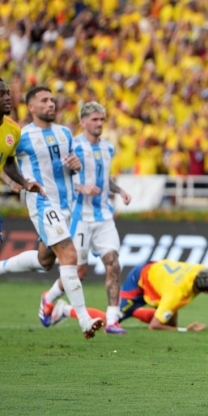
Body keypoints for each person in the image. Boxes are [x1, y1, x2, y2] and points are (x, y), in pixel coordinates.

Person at [0, 86, 103, 339]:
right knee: (70, 256)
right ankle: (84, 320)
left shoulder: (65, 133)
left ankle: (2, 266)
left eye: (52, 100)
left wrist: (76, 166)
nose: (51, 104)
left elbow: (68, 166)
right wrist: (17, 183)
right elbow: (5, 161)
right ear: (31, 107)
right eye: (44, 100)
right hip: (44, 204)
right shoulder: (21, 135)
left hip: (66, 205)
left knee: (46, 262)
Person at [71, 102, 132, 334]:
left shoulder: (108, 148)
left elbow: (105, 179)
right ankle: (51, 301)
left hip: (104, 216)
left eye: (101, 120)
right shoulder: (73, 146)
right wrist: (81, 187)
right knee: (78, 273)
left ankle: (112, 319)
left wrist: (120, 190)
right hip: (81, 217)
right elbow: (61, 180)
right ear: (83, 121)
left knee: (113, 263)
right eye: (94, 120)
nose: (99, 124)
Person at [52, 260, 208, 333]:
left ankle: (131, 311)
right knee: (108, 322)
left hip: (159, 279)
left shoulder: (203, 273)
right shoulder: (176, 293)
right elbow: (154, 326)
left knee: (169, 321)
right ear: (203, 291)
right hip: (140, 281)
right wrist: (184, 330)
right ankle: (65, 309)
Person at [0, 78, 46, 241]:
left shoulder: (13, 130)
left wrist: (25, 183)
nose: (7, 98)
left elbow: (9, 162)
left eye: (7, 93)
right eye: (1, 94)